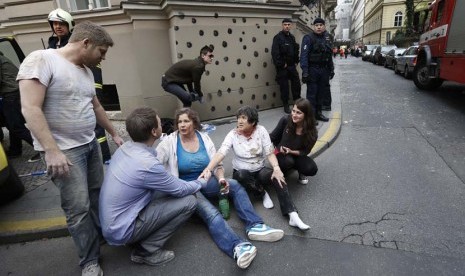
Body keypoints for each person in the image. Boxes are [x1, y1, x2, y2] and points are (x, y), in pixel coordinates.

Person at [17, 21, 124, 276]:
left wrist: (113, 133)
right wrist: (52, 151)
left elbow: (96, 107)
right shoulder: (42, 59)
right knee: (78, 208)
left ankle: (101, 236)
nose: (103, 58)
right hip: (65, 152)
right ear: (86, 43)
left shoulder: (86, 71)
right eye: (102, 52)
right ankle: (89, 260)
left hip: (89, 144)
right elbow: (30, 108)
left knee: (98, 196)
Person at [156, 108, 284, 269]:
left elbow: (218, 164)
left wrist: (222, 178)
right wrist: (171, 188)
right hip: (187, 188)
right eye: (180, 121)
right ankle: (237, 247)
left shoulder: (204, 138)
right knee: (211, 213)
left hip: (207, 181)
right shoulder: (169, 142)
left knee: (235, 185)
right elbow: (154, 167)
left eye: (186, 121)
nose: (182, 125)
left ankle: (255, 226)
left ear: (194, 123)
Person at [99, 107, 202, 267]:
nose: (163, 124)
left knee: (165, 191)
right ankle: (146, 250)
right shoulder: (147, 165)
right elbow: (180, 189)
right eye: (160, 122)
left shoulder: (125, 148)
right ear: (154, 132)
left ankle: (138, 239)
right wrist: (201, 182)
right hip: (122, 229)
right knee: (189, 201)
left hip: (113, 222)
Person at [201, 106, 310, 230]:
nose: (240, 121)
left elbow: (269, 152)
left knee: (278, 177)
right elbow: (221, 153)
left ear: (252, 122)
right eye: (238, 118)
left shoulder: (261, 131)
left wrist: (276, 168)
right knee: (242, 174)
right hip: (242, 172)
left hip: (259, 169)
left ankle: (292, 214)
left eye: (244, 118)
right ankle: (262, 193)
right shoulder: (233, 134)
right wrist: (208, 169)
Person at [47, 8, 112, 163]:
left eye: (61, 23)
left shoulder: (79, 41)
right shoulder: (51, 46)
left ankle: (105, 155)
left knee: (96, 121)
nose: (58, 27)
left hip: (86, 87)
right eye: (54, 23)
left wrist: (95, 91)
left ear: (69, 25)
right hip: (66, 94)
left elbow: (94, 66)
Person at [0, 51, 40, 162]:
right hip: (16, 92)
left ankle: (43, 148)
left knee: (16, 126)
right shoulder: (2, 57)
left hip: (10, 94)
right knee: (12, 124)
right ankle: (15, 150)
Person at [269, 98, 318, 186]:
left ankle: (300, 171)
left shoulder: (312, 132)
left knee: (311, 168)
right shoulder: (285, 120)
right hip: (281, 153)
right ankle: (282, 171)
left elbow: (305, 151)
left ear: (306, 115)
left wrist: (291, 151)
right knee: (288, 162)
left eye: (298, 113)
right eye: (293, 111)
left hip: (297, 155)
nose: (294, 115)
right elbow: (272, 137)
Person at [300, 18, 334, 122]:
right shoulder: (308, 38)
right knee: (312, 94)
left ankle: (318, 113)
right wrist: (305, 71)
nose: (319, 27)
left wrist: (331, 69)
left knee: (321, 94)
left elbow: (329, 55)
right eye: (316, 25)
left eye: (321, 25)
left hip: (324, 70)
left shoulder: (327, 38)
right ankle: (311, 117)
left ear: (324, 26)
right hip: (313, 69)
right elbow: (304, 56)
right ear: (313, 26)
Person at [271, 18, 301, 114]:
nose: (287, 26)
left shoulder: (292, 37)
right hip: (283, 67)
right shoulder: (277, 37)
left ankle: (297, 102)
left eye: (288, 24)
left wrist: (296, 61)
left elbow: (295, 51)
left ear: (291, 25)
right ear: (282, 26)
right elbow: (274, 53)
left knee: (296, 84)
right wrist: (281, 64)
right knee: (284, 87)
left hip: (292, 66)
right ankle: (286, 104)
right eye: (285, 24)